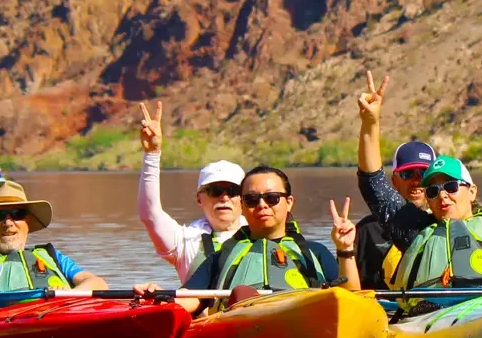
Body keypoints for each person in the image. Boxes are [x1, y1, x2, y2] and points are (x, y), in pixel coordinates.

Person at [354, 72, 482, 290]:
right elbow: (373, 184)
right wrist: (370, 122)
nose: (442, 195)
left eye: (451, 186)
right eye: (432, 191)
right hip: (431, 317)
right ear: (429, 200)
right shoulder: (414, 230)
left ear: (472, 191)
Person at [174, 166, 361, 315]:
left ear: (289, 203)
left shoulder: (315, 252)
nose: (262, 205)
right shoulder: (222, 256)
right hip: (243, 327)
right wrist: (153, 296)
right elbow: (187, 300)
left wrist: (345, 249)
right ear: (243, 206)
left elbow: (352, 300)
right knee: (241, 293)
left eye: (272, 198)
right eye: (251, 199)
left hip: (306, 321)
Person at [137, 101, 246, 282]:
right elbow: (150, 214)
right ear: (199, 199)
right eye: (214, 190)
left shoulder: (261, 236)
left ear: (243, 198)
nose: (224, 197)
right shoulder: (183, 242)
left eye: (232, 190)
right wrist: (152, 154)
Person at [0, 177, 109, 291]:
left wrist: (71, 294)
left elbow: (97, 283)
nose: (7, 223)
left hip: (54, 316)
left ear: (29, 222)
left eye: (17, 214)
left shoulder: (55, 258)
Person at [353, 140, 438, 290]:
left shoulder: (444, 226)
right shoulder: (365, 231)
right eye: (408, 174)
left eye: (423, 173)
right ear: (394, 181)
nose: (416, 181)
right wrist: (343, 249)